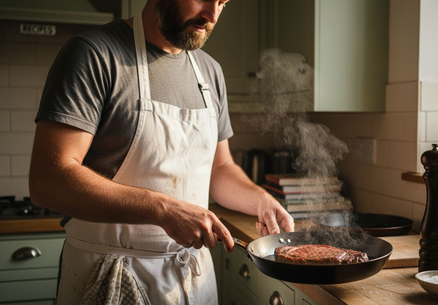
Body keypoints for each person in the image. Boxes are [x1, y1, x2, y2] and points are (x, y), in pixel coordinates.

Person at [28, 0, 294, 303]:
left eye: (222, 2)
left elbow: (219, 170)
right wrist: (163, 210)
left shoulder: (209, 71)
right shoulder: (94, 54)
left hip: (193, 280)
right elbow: (48, 181)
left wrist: (260, 200)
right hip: (110, 274)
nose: (212, 15)